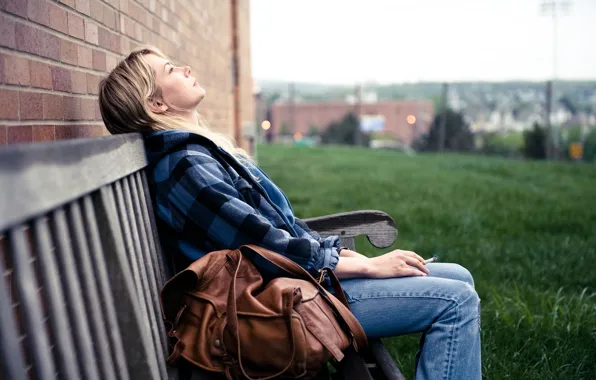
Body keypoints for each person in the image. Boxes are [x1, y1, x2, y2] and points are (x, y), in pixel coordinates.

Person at [98, 46, 481, 380]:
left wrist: (343, 254)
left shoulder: (196, 153)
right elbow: (264, 245)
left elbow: (278, 230)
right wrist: (367, 267)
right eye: (171, 70)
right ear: (156, 105)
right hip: (280, 306)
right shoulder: (186, 166)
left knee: (458, 276)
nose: (186, 69)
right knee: (456, 301)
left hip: (294, 283)